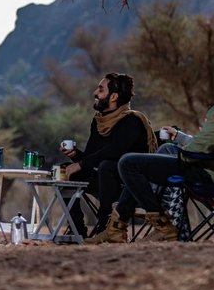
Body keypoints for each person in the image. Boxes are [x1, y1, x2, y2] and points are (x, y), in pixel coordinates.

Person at [87, 49, 214, 244]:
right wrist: (179, 139)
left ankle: (161, 225)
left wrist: (179, 155)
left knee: (129, 163)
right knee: (166, 150)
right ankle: (117, 226)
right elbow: (213, 144)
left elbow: (202, 147)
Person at [59, 73, 158, 236]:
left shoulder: (132, 121)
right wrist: (75, 155)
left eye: (100, 89)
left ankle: (106, 224)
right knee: (64, 170)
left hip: (130, 188)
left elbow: (114, 151)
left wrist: (81, 164)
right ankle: (76, 230)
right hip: (105, 183)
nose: (95, 93)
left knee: (107, 166)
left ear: (113, 96)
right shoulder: (99, 122)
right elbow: (91, 157)